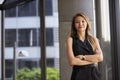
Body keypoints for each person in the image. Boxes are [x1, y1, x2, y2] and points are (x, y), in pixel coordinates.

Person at [66, 13, 103, 80]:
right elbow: (72, 61)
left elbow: (100, 57)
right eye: (77, 22)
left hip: (93, 75)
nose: (80, 24)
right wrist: (93, 60)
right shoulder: (70, 40)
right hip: (78, 75)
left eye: (83, 21)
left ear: (87, 23)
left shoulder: (94, 39)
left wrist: (83, 57)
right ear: (74, 25)